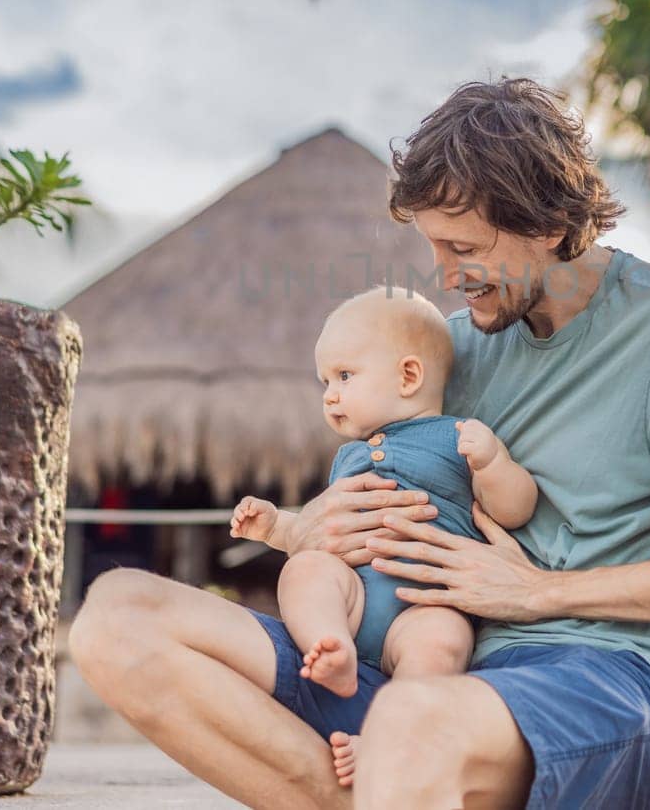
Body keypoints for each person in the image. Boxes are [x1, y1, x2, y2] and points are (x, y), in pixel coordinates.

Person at [69, 78, 650, 809]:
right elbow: (390, 482)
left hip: (619, 688)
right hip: (434, 679)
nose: (444, 273)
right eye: (435, 246)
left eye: (463, 246)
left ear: (551, 225)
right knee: (117, 617)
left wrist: (540, 593)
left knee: (410, 724)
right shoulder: (447, 349)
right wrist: (318, 522)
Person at [226, 288, 536, 783]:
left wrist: (494, 463)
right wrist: (278, 527)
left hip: (423, 602)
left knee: (442, 640)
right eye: (325, 380)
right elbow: (321, 536)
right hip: (352, 600)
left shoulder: (457, 437)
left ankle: (392, 734)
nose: (329, 393)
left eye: (344, 376)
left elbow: (514, 509)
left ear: (409, 376)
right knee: (307, 568)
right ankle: (331, 646)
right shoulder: (345, 458)